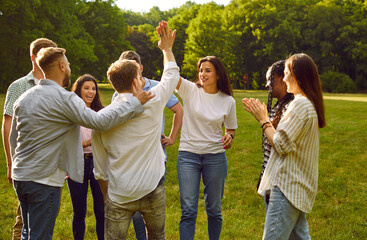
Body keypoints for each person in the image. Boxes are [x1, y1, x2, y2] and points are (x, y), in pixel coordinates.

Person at [9, 47, 152, 240]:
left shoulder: (24, 98)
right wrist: (134, 103)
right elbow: (99, 122)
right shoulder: (64, 98)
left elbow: (13, 136)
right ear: (61, 66)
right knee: (39, 236)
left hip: (21, 177)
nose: (68, 67)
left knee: (28, 233)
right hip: (43, 179)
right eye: (67, 64)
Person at [92, 20, 179, 239]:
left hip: (118, 194)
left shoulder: (101, 119)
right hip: (152, 189)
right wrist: (166, 48)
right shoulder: (153, 101)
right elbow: (171, 75)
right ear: (135, 81)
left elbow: (101, 169)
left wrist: (108, 196)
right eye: (140, 77)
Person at [243, 53, 326, 239]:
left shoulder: (300, 105)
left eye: (287, 73)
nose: (284, 78)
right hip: (295, 186)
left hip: (287, 187)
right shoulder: (305, 104)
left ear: (296, 76)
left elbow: (280, 144)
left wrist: (264, 120)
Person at [111, 50, 183, 240]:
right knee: (134, 212)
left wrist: (172, 137)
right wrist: (166, 49)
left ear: (139, 69)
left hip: (154, 161)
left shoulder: (157, 90)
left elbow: (178, 109)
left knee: (154, 218)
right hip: (129, 164)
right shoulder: (117, 95)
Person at [175, 56, 238, 240]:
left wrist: (230, 136)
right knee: (188, 210)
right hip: (188, 156)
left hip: (215, 158)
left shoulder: (228, 100)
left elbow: (231, 128)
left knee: (214, 210)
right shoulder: (190, 90)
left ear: (218, 74)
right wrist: (167, 50)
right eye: (201, 70)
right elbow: (172, 74)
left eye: (208, 70)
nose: (202, 74)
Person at [1, 38, 57, 240]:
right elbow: (8, 125)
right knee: (23, 219)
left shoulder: (57, 87)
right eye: (44, 54)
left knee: (43, 218)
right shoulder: (19, 86)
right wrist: (10, 163)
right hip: (25, 165)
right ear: (33, 58)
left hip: (49, 166)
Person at [67, 74, 105, 240]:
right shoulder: (71, 113)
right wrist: (89, 142)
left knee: (101, 210)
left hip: (98, 162)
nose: (91, 92)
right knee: (79, 211)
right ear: (78, 90)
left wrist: (92, 142)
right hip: (77, 163)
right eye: (86, 88)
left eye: (93, 88)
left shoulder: (101, 112)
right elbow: (68, 143)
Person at [253, 60, 294, 209]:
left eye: (270, 80)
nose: (267, 85)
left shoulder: (290, 107)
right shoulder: (278, 106)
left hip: (282, 184)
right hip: (273, 179)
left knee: (274, 231)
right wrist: (264, 176)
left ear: (282, 79)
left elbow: (279, 144)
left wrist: (263, 120)